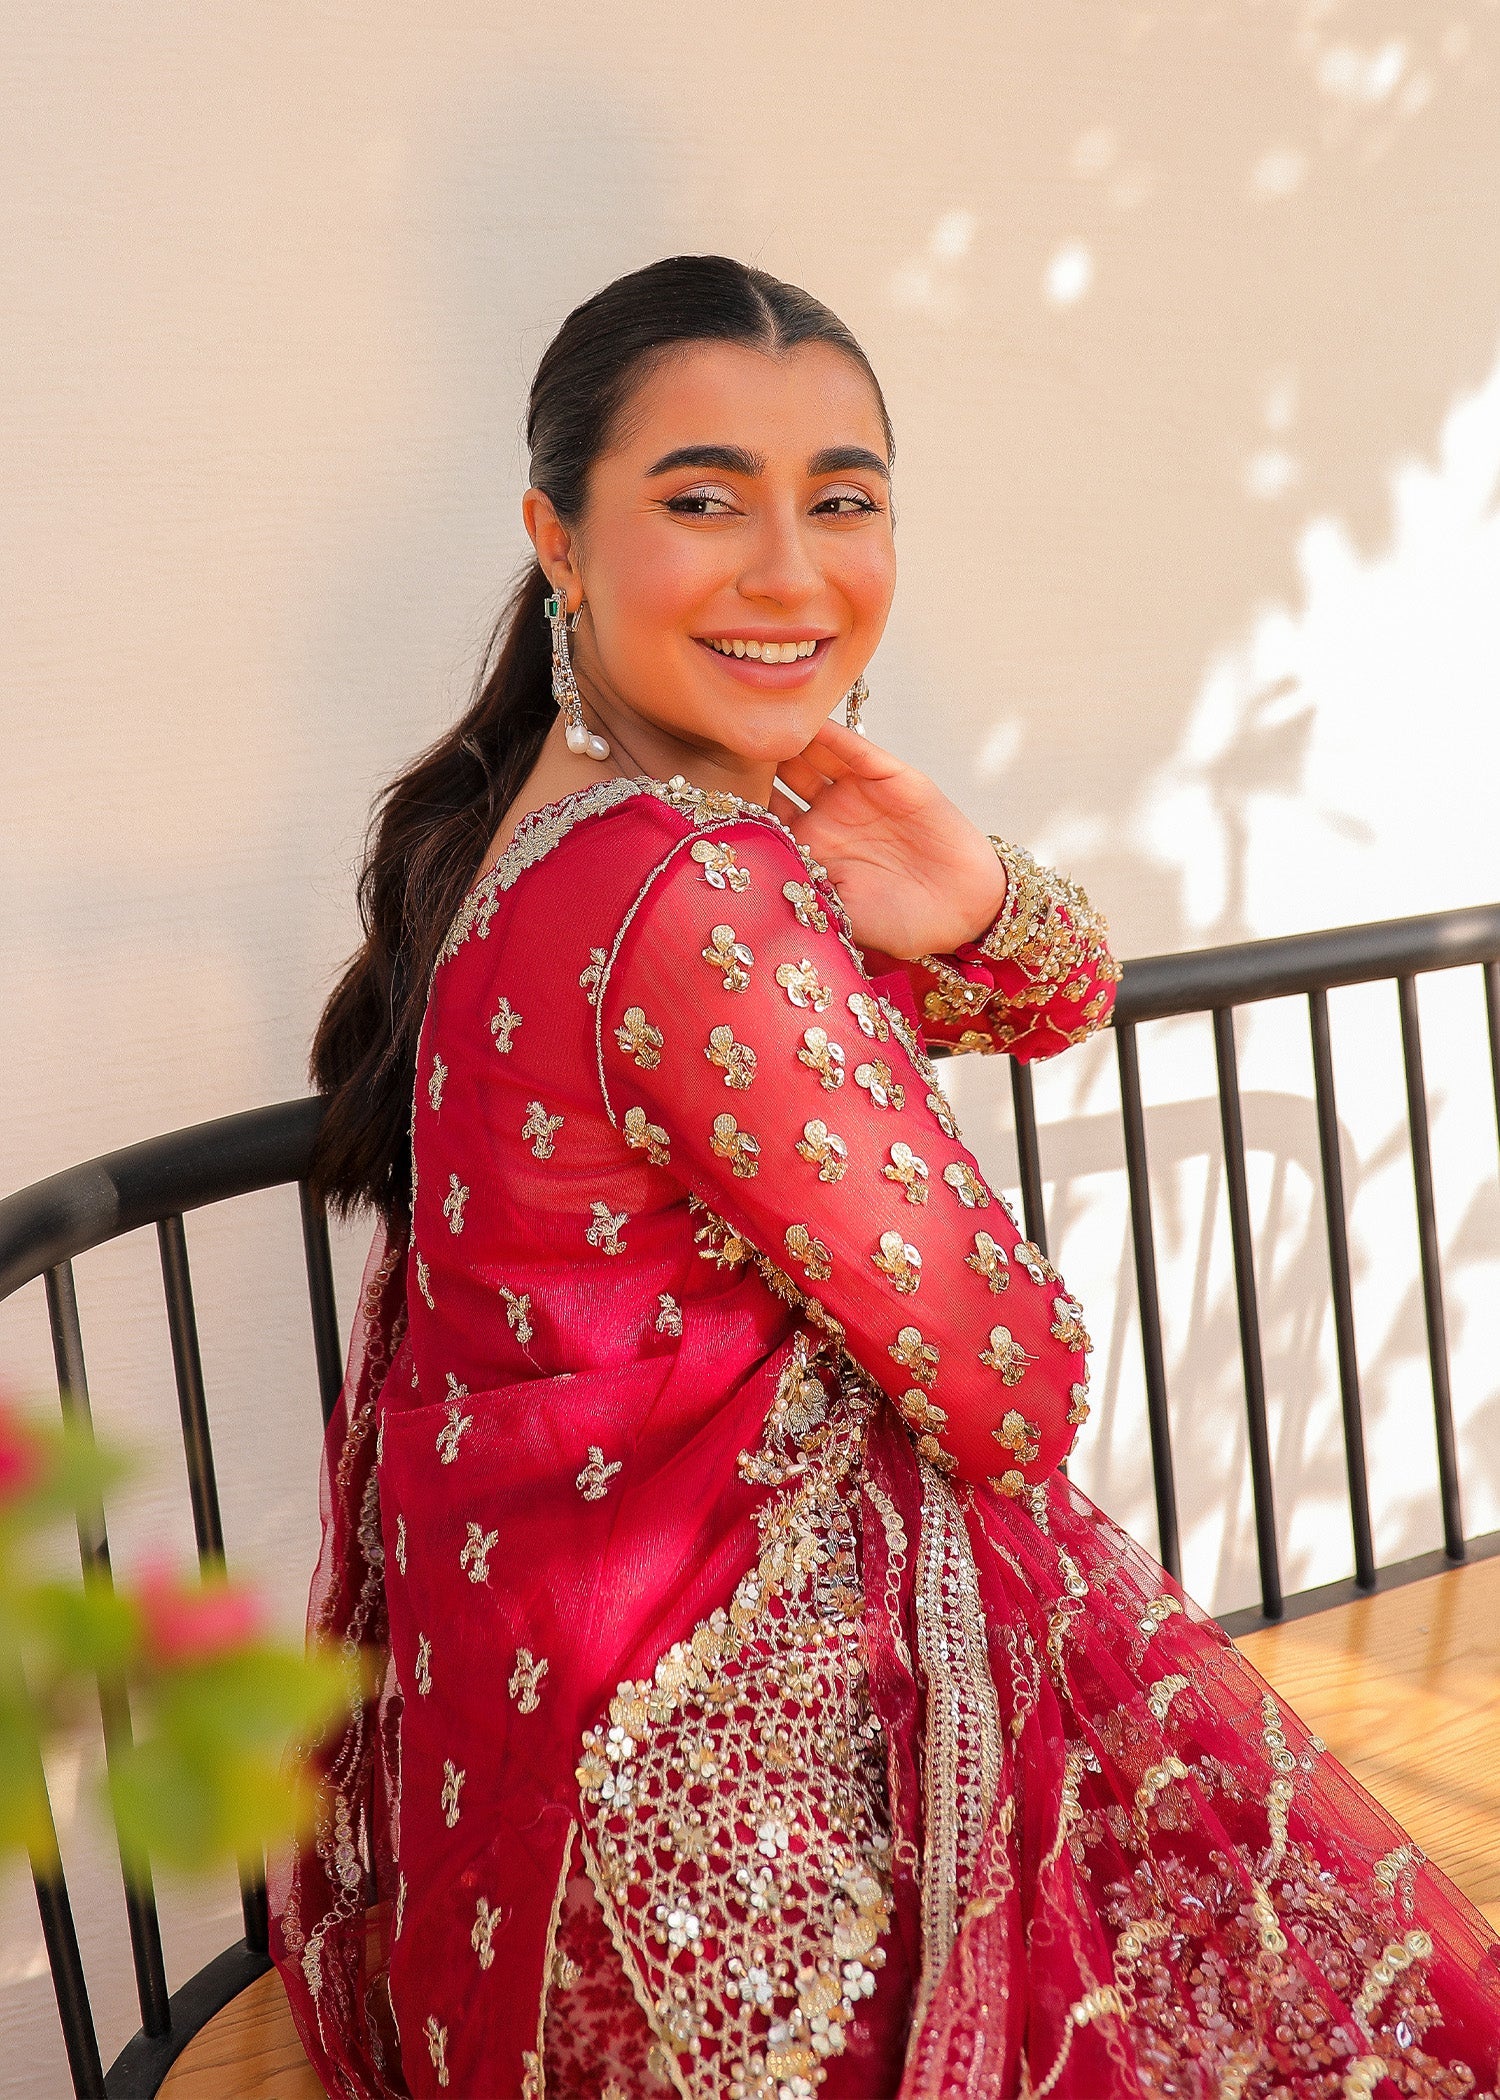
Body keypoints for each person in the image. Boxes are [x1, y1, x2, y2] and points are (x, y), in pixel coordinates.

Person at [270, 255, 1500, 2100]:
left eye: (842, 502)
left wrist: (969, 890)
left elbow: (1049, 993)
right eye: (705, 501)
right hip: (714, 1817)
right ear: (559, 538)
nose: (790, 572)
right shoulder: (694, 887)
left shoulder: (543, 833)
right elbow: (1011, 1379)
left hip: (529, 1766)